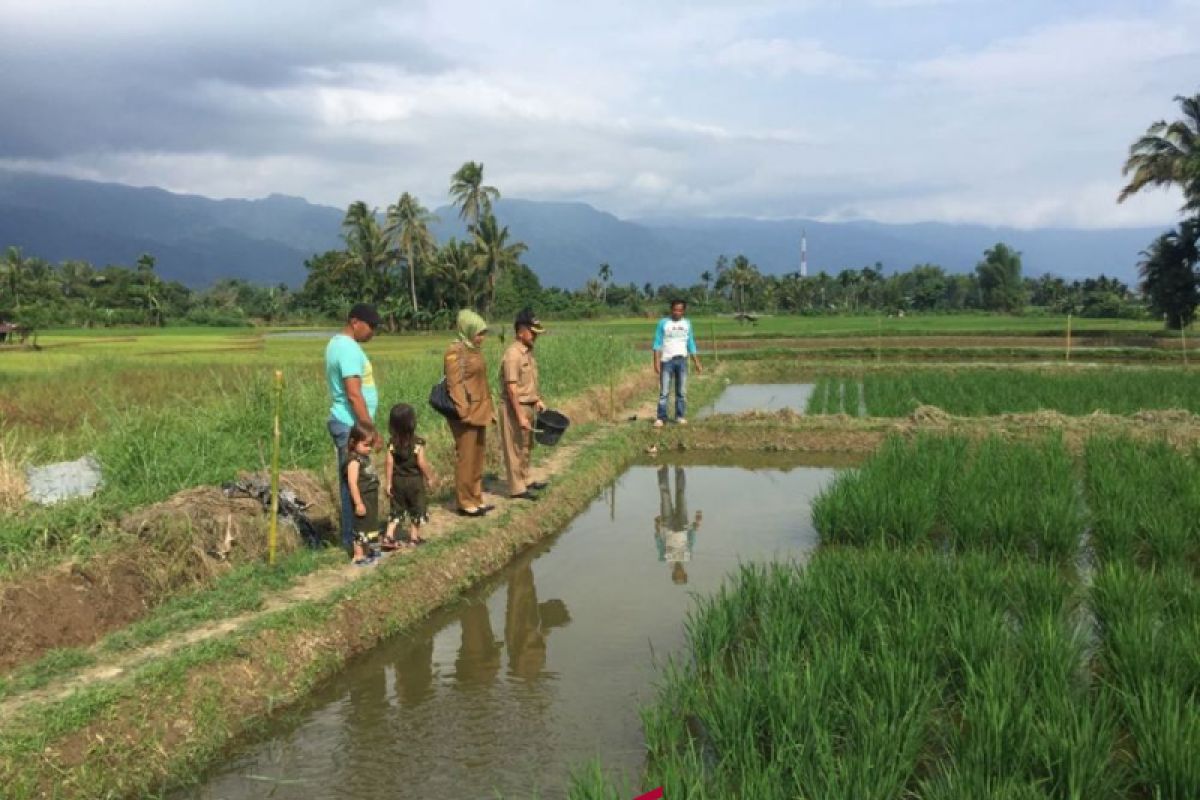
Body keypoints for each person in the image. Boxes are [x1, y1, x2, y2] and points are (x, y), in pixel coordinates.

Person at [325, 303, 381, 554]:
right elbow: (354, 394)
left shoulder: (338, 344)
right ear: (355, 322)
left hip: (349, 424)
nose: (373, 333)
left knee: (353, 481)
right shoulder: (347, 348)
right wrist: (370, 430)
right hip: (351, 426)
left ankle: (358, 539)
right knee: (353, 482)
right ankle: (354, 543)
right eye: (371, 327)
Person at [445, 309, 495, 517]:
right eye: (479, 333)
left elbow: (482, 383)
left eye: (483, 333)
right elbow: (454, 384)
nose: (482, 338)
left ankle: (476, 496)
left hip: (480, 409)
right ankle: (464, 501)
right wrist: (463, 411)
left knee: (478, 455)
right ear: (468, 330)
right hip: (465, 413)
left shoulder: (475, 350)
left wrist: (490, 409)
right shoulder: (455, 352)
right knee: (466, 457)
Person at [499, 308, 548, 500]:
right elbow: (512, 389)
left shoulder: (528, 352)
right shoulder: (513, 354)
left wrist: (537, 400)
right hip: (513, 407)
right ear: (521, 331)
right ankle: (517, 488)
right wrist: (519, 415)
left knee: (527, 445)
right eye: (532, 332)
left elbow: (527, 382)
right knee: (514, 448)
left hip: (527, 404)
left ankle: (526, 479)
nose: (535, 336)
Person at [384, 403, 436, 547]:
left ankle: (388, 536)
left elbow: (388, 463)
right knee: (417, 508)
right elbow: (421, 463)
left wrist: (388, 483)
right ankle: (414, 538)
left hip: (397, 481)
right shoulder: (417, 443)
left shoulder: (392, 444)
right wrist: (430, 477)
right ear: (412, 423)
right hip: (414, 483)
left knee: (396, 509)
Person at [652, 299, 703, 427]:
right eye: (675, 309)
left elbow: (690, 343)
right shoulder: (663, 323)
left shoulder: (687, 324)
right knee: (664, 392)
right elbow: (657, 343)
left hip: (682, 361)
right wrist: (656, 362)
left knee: (681, 391)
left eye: (680, 310)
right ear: (671, 310)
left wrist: (696, 362)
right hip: (667, 361)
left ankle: (679, 416)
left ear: (683, 311)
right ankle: (661, 417)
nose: (677, 312)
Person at [654, 465, 702, 585]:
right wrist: (697, 523)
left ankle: (661, 469)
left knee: (664, 495)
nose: (678, 572)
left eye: (676, 575)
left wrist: (657, 526)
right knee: (681, 494)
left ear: (673, 574)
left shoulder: (664, 558)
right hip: (683, 524)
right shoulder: (688, 556)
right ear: (685, 573)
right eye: (681, 575)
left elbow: (659, 542)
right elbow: (691, 539)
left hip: (668, 526)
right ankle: (679, 468)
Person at [345, 423, 382, 566]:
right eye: (366, 445)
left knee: (369, 525)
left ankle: (367, 551)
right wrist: (358, 503)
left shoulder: (364, 458)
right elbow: (352, 483)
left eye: (371, 445)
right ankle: (358, 555)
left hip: (370, 498)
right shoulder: (354, 462)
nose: (369, 449)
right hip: (362, 498)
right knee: (361, 526)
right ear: (353, 443)